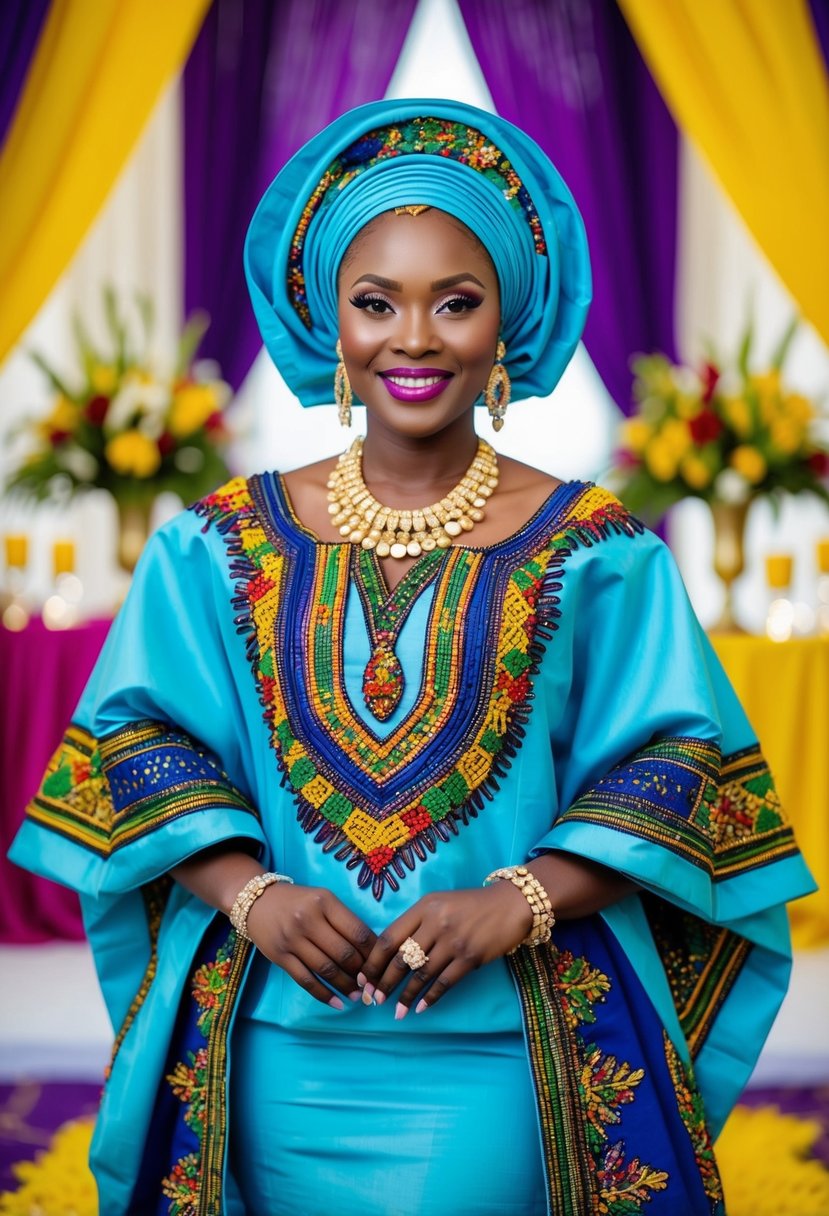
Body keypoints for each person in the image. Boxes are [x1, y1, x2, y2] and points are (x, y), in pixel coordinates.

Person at [10, 98, 814, 1216]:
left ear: (508, 323)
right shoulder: (211, 545)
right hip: (271, 1043)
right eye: (375, 302)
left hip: (505, 1048)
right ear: (328, 322)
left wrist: (519, 899)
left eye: (456, 301)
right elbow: (133, 743)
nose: (416, 338)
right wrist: (254, 897)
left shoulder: (601, 553)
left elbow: (679, 772)